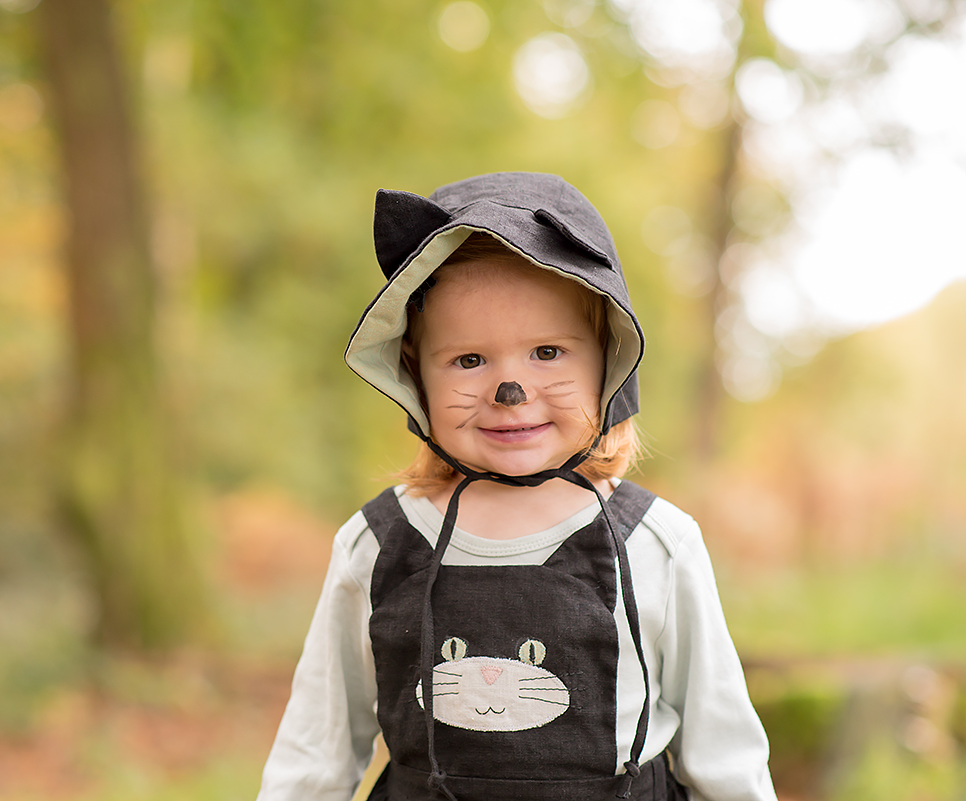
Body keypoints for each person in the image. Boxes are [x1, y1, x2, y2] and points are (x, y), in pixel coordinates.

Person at [256, 172, 775, 801]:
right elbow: (318, 747)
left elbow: (724, 752)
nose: (511, 392)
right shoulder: (376, 545)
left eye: (548, 352)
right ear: (415, 376)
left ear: (606, 361)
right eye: (469, 360)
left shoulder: (657, 543)